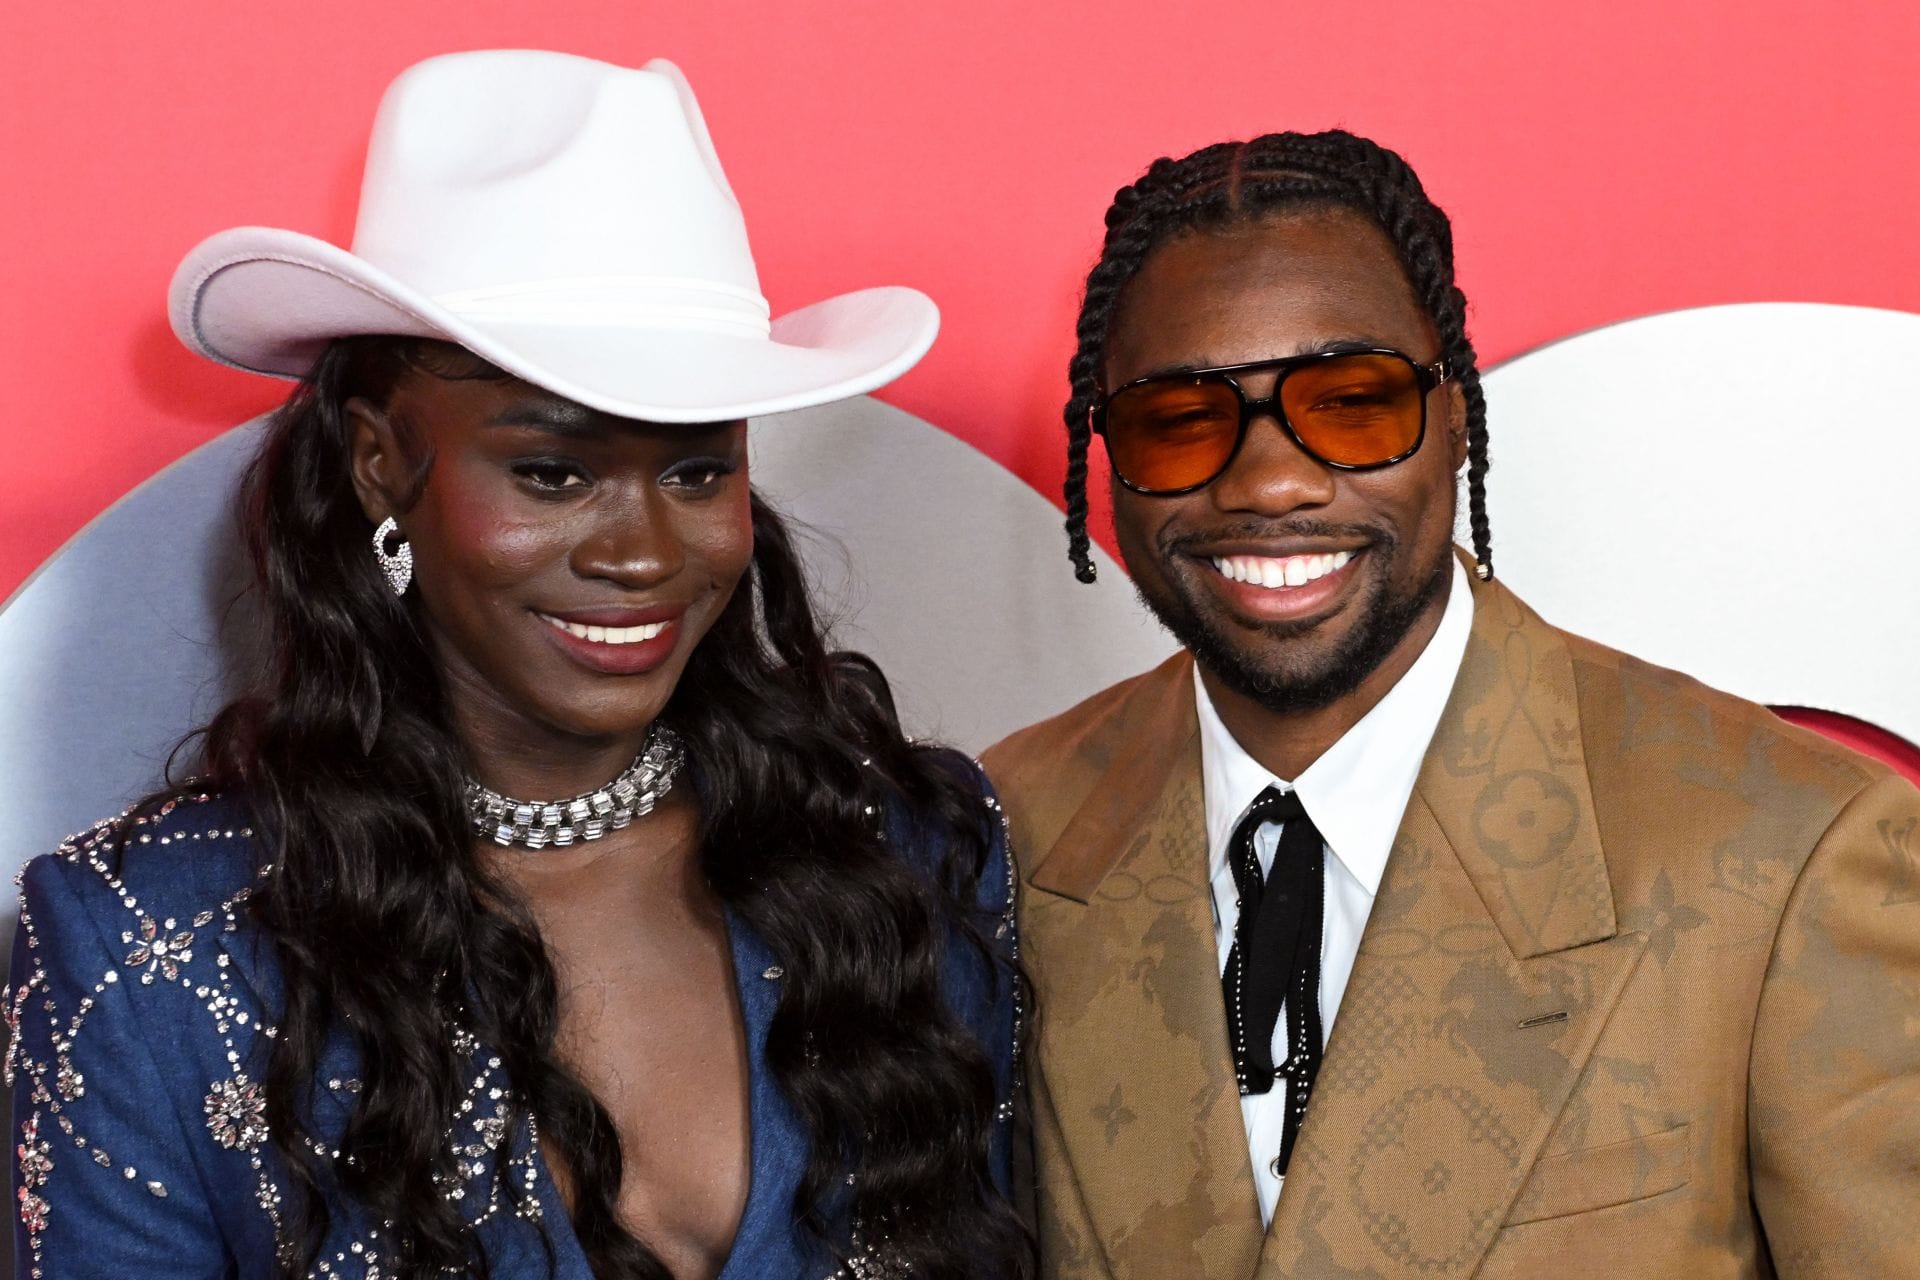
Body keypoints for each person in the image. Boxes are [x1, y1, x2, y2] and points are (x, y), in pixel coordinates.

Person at [7, 51, 1027, 1280]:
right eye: (554, 472)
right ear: (383, 460)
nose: (646, 552)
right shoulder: (151, 947)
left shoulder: (908, 843)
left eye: (698, 470)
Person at [984, 130, 1920, 1278]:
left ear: (1456, 415)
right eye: (1179, 419)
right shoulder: (1004, 830)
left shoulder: (1786, 852)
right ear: (1107, 461)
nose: (1271, 480)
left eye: (1353, 402)